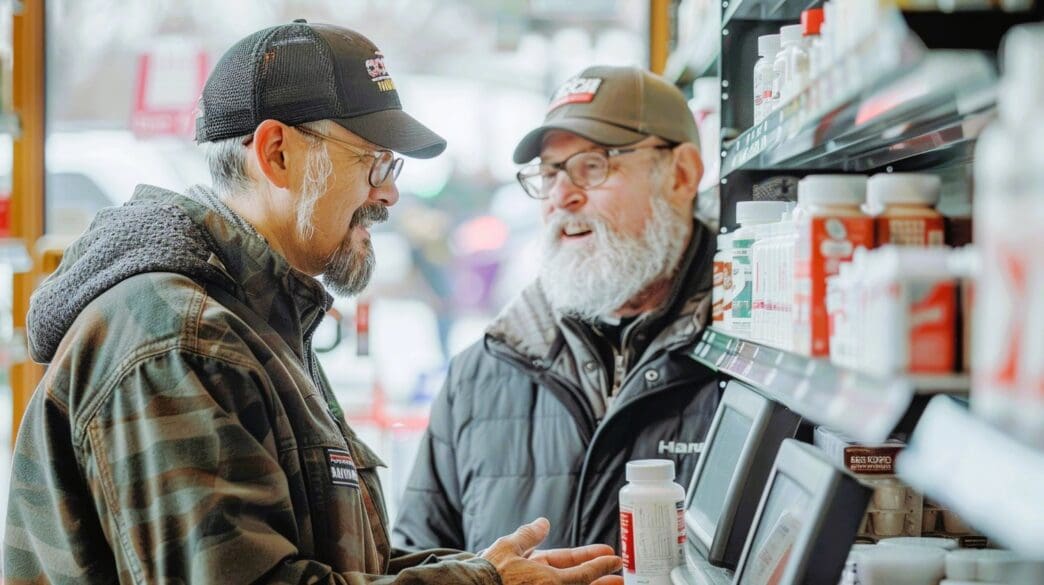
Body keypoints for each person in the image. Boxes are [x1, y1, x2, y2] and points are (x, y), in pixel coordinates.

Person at [3, 21, 623, 585]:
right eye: (373, 162)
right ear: (276, 153)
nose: (388, 195)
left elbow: (328, 562)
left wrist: (485, 570)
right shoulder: (179, 338)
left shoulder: (254, 319)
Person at [394, 66, 721, 552]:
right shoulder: (479, 376)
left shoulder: (752, 354)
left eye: (592, 166)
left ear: (682, 174)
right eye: (549, 174)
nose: (563, 197)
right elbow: (417, 562)